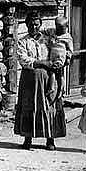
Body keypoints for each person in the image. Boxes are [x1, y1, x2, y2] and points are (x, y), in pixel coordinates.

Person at [14, 10, 67, 150]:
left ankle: (50, 139)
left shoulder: (48, 39)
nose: (34, 27)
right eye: (31, 25)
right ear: (26, 25)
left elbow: (58, 51)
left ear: (40, 24)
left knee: (49, 105)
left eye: (36, 24)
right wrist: (42, 63)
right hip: (30, 79)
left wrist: (59, 61)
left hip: (48, 77)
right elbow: (23, 59)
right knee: (30, 106)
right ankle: (28, 138)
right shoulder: (22, 41)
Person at [46, 16, 73, 103]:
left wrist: (68, 58)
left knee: (60, 73)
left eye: (61, 28)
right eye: (57, 27)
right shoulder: (53, 33)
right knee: (52, 72)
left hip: (61, 57)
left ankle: (61, 89)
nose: (59, 30)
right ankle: (51, 87)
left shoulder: (67, 37)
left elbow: (70, 49)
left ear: (66, 26)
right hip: (52, 56)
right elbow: (45, 31)